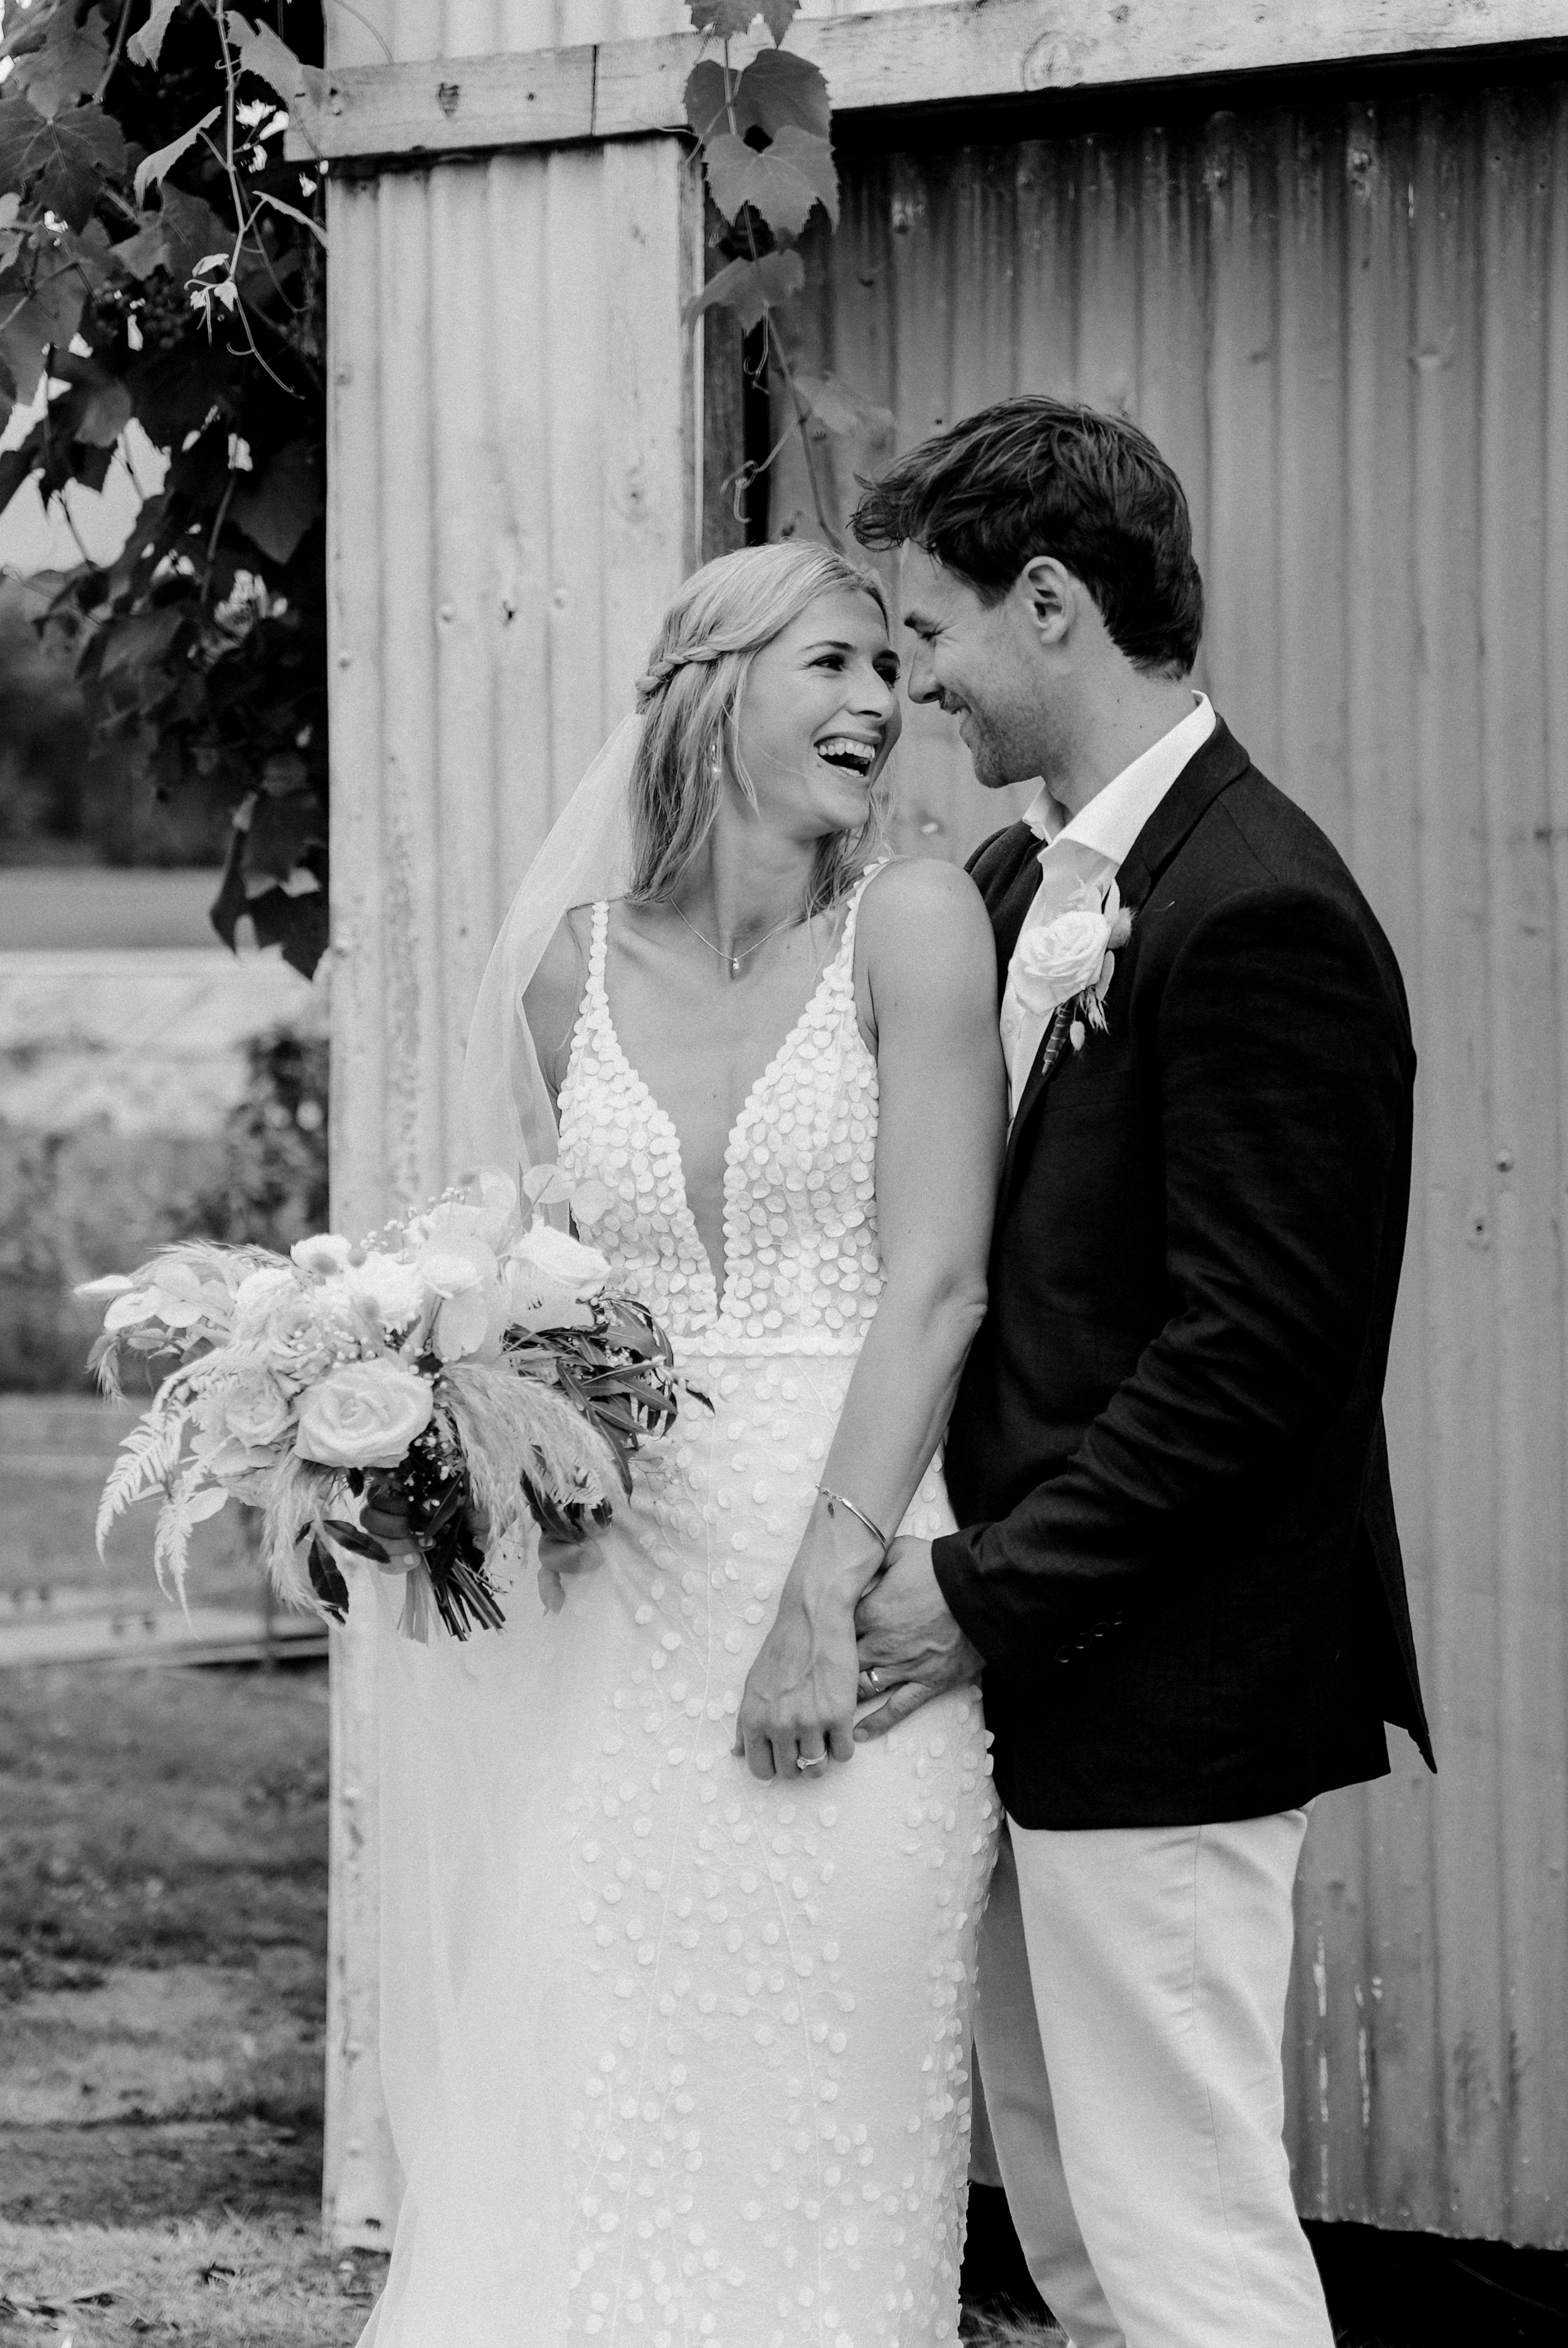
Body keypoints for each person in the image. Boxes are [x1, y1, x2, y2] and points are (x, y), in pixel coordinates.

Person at [356, 540, 1007, 2346]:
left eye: (892, 670)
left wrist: (825, 1591)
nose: (881, 703)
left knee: (828, 2120)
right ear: (714, 689)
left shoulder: (916, 920)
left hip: (852, 1597)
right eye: (834, 663)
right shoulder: (566, 969)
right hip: (618, 1637)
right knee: (595, 2107)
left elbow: (941, 1284)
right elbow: (528, 1292)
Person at [849, 397, 1434, 2348]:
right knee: (1086, 2246)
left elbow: (1253, 1363)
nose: (914, 683)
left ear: (1045, 603)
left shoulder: (1260, 906)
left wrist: (976, 1592)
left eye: (924, 634)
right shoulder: (1024, 895)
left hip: (1170, 1684)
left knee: (1185, 2242)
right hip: (1026, 1683)